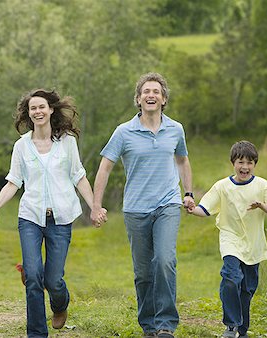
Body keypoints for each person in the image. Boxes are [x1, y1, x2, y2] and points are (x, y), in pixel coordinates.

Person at [0, 88, 107, 338]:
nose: (37, 111)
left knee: (53, 280)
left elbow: (79, 176)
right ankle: (37, 333)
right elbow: (13, 182)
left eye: (41, 107)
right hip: (30, 217)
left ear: (51, 110)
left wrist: (94, 207)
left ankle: (60, 305)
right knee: (32, 275)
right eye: (33, 108)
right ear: (28, 114)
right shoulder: (21, 146)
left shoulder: (68, 143)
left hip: (61, 218)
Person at [90, 72, 194, 338]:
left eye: (156, 91)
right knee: (144, 272)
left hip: (167, 205)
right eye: (146, 91)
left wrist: (189, 192)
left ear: (164, 99)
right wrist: (96, 205)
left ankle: (166, 324)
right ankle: (149, 325)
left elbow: (182, 160)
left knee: (165, 260)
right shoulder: (124, 132)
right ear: (138, 99)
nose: (151, 95)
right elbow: (105, 167)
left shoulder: (176, 129)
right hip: (136, 208)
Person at [187, 140, 267, 338]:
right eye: (240, 162)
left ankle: (242, 329)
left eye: (249, 163)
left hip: (253, 245)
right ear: (233, 163)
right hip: (230, 240)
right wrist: (191, 209)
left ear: (254, 164)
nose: (244, 167)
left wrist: (262, 206)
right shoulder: (222, 186)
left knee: (247, 289)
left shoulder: (262, 185)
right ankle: (231, 326)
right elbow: (205, 209)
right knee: (231, 278)